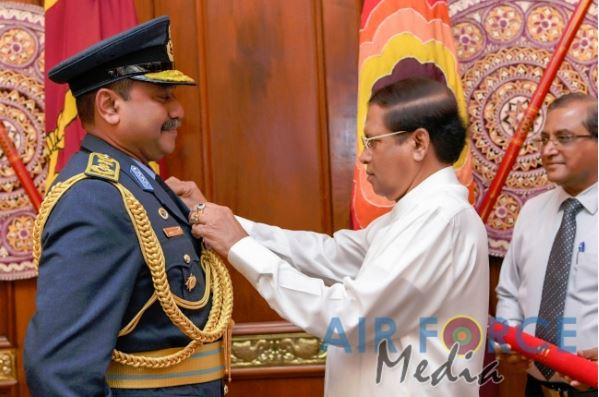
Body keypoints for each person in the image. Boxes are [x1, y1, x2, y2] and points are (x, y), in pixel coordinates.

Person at [171, 78, 490, 396]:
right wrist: (220, 220)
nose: (364, 157)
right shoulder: (415, 215)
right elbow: (328, 254)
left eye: (373, 142)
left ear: (419, 143)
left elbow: (348, 317)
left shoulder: (439, 219)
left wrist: (240, 246)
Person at [24, 16, 232, 397]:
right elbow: (61, 374)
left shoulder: (136, 183)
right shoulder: (95, 200)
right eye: (163, 96)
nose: (178, 111)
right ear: (109, 106)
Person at [495, 93, 598, 396]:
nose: (548, 150)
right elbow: (510, 290)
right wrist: (509, 337)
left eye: (564, 138)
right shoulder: (531, 211)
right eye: (544, 139)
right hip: (535, 388)